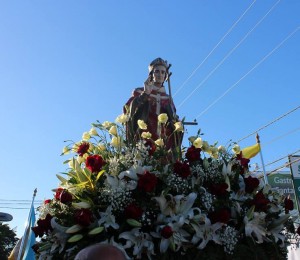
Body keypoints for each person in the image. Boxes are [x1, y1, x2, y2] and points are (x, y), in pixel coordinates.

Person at [124, 58, 182, 151]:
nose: (160, 75)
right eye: (157, 71)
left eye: (163, 72)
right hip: (144, 136)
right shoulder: (140, 91)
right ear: (151, 74)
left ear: (166, 76)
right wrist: (145, 95)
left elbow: (173, 118)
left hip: (164, 140)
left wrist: (176, 121)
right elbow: (129, 110)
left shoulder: (168, 98)